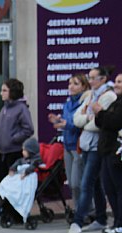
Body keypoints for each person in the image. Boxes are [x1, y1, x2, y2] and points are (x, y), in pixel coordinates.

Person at [68, 67, 116, 233]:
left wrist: (86, 120)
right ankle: (101, 218)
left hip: (97, 145)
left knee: (86, 182)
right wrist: (87, 118)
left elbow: (97, 124)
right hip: (86, 144)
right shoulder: (90, 96)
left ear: (103, 79)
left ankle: (78, 220)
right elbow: (76, 119)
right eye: (90, 77)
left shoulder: (108, 96)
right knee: (95, 184)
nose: (91, 81)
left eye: (94, 78)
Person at [93, 72, 122, 233]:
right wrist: (100, 115)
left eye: (120, 81)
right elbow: (101, 123)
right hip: (107, 150)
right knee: (109, 187)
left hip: (119, 150)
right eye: (115, 81)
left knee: (121, 187)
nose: (116, 84)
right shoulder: (118, 101)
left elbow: (114, 122)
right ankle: (117, 221)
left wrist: (100, 112)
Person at [48, 73, 89, 205]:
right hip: (68, 145)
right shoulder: (67, 103)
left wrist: (67, 124)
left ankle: (87, 209)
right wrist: (59, 121)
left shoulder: (84, 103)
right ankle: (79, 210)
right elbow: (67, 121)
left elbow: (80, 123)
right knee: (71, 183)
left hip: (78, 145)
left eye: (75, 84)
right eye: (70, 83)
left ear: (83, 87)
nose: (71, 86)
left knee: (78, 182)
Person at [0, 78, 35, 181]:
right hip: (2, 151)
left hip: (14, 152)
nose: (1, 93)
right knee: (3, 182)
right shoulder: (4, 108)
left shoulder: (21, 108)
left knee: (13, 181)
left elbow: (28, 129)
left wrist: (13, 138)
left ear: (12, 92)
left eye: (4, 90)